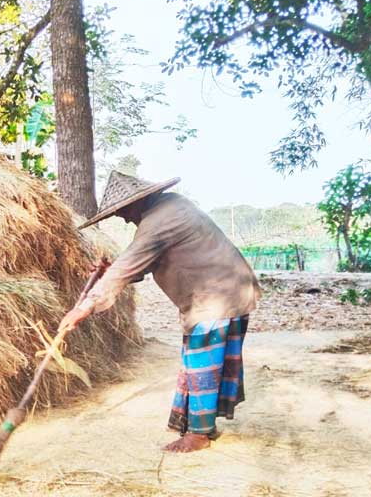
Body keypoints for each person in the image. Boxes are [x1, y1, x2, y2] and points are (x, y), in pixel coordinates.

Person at [58, 170, 260, 453]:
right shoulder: (173, 205)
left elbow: (133, 260)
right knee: (202, 363)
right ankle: (201, 426)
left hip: (216, 298)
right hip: (230, 290)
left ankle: (199, 434)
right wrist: (111, 270)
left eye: (123, 211)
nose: (124, 218)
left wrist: (84, 307)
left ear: (137, 203)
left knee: (202, 364)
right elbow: (148, 259)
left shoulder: (158, 221)